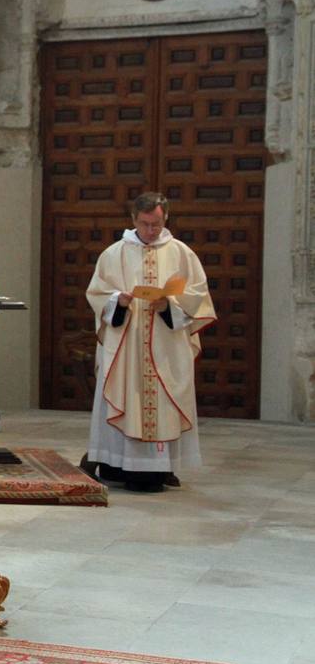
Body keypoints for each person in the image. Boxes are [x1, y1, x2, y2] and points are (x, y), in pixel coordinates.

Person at [85, 192, 216, 492]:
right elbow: (97, 295)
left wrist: (168, 306)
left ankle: (162, 467)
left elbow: (198, 296)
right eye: (145, 224)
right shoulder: (113, 254)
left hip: (165, 347)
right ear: (133, 220)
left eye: (156, 224)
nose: (150, 231)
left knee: (165, 400)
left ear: (165, 219)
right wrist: (119, 300)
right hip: (127, 347)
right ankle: (116, 464)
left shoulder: (182, 254)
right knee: (125, 396)